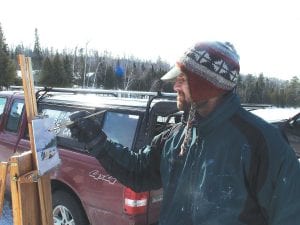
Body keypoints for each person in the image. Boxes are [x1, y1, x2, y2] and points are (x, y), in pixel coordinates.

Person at [68, 41, 300, 225]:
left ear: (208, 86)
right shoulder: (178, 136)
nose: (175, 87)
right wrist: (98, 141)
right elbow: (139, 172)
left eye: (183, 80)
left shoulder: (261, 143)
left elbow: (290, 216)